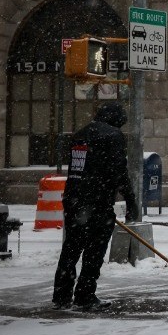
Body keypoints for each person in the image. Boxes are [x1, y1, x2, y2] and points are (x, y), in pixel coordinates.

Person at [53, 102, 135, 311]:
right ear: (114, 119)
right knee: (94, 252)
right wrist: (131, 200)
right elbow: (119, 171)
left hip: (74, 201)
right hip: (98, 202)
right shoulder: (113, 136)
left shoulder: (80, 134)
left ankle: (62, 296)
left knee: (71, 249)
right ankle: (85, 295)